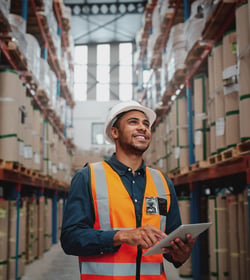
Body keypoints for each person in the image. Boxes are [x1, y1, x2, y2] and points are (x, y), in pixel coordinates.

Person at [60, 100, 196, 280]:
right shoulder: (88, 177)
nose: (143, 128)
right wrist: (121, 236)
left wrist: (181, 254)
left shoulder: (162, 183)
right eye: (133, 122)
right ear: (114, 132)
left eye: (146, 124)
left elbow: (170, 243)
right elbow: (71, 239)